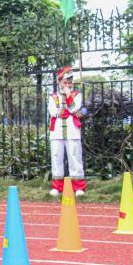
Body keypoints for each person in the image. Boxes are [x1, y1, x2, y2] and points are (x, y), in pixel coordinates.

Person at [48, 65, 87, 197]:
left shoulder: (77, 95)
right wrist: (69, 112)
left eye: (70, 82)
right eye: (65, 82)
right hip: (57, 132)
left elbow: (74, 108)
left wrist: (69, 97)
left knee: (75, 157)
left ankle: (78, 187)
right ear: (59, 82)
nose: (68, 85)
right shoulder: (52, 97)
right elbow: (53, 112)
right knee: (56, 157)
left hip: (72, 131)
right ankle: (57, 187)